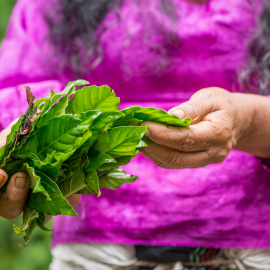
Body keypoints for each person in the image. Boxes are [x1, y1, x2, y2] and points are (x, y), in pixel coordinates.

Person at [1, 0, 270, 269]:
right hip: (101, 252)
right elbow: (18, 85)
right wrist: (23, 150)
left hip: (251, 250)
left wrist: (250, 120)